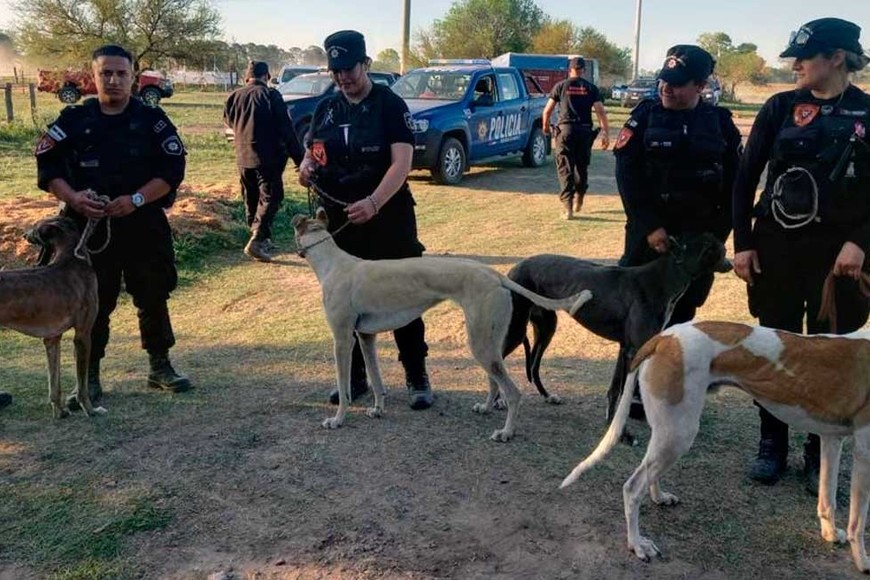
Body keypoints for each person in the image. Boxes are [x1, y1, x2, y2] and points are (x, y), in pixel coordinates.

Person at [732, 18, 870, 493]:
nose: (794, 65)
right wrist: (743, 243)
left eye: (804, 57)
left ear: (836, 58)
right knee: (774, 348)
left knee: (832, 354)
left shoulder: (867, 113)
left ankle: (818, 453)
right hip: (777, 252)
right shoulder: (779, 107)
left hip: (840, 261)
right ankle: (772, 443)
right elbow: (745, 178)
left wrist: (861, 242)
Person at [35, 44, 191, 409]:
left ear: (133, 76)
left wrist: (136, 199)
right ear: (94, 76)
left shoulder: (153, 120)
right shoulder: (73, 120)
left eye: (122, 73)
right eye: (106, 73)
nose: (114, 80)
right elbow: (48, 167)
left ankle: (160, 365)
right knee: (93, 302)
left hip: (142, 222)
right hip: (88, 228)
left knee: (153, 293)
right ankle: (89, 376)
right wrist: (74, 199)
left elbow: (171, 171)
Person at [298, 30, 433, 411]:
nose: (343, 78)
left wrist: (374, 202)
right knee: (346, 303)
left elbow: (402, 163)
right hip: (340, 219)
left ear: (366, 64)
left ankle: (416, 375)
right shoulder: (326, 107)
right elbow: (314, 152)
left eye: (349, 69)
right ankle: (353, 379)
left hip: (387, 215)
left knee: (404, 292)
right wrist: (307, 167)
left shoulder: (389, 105)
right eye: (336, 70)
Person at [614, 45, 742, 415]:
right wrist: (650, 225)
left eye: (678, 84)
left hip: (698, 239)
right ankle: (629, 390)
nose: (666, 89)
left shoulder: (720, 123)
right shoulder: (643, 116)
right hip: (648, 238)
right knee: (638, 313)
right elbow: (628, 176)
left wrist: (716, 238)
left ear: (701, 85)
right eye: (664, 81)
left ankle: (665, 385)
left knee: (683, 312)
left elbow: (735, 184)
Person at [224, 60, 304, 262]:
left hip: (242, 156)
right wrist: (300, 159)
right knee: (272, 196)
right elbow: (287, 130)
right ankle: (258, 238)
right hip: (267, 157)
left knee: (251, 198)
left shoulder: (234, 96)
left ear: (246, 78)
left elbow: (228, 121)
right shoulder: (270, 95)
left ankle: (260, 238)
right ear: (267, 76)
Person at [542, 57, 610, 219]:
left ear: (569, 69)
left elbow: (547, 111)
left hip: (565, 131)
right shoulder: (591, 88)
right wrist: (605, 132)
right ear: (583, 70)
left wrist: (546, 127)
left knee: (565, 167)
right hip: (585, 132)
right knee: (581, 166)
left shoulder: (560, 86)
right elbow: (600, 111)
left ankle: (568, 208)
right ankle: (580, 195)